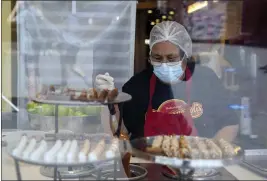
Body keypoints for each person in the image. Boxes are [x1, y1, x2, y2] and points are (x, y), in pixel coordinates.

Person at [120, 21, 239, 142]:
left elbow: (229, 124)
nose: (164, 64)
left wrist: (209, 153)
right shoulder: (136, 86)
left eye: (171, 58)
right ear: (150, 56)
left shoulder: (205, 79)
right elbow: (121, 131)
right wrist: (109, 104)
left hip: (198, 158)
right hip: (150, 158)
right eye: (157, 58)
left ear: (184, 56)